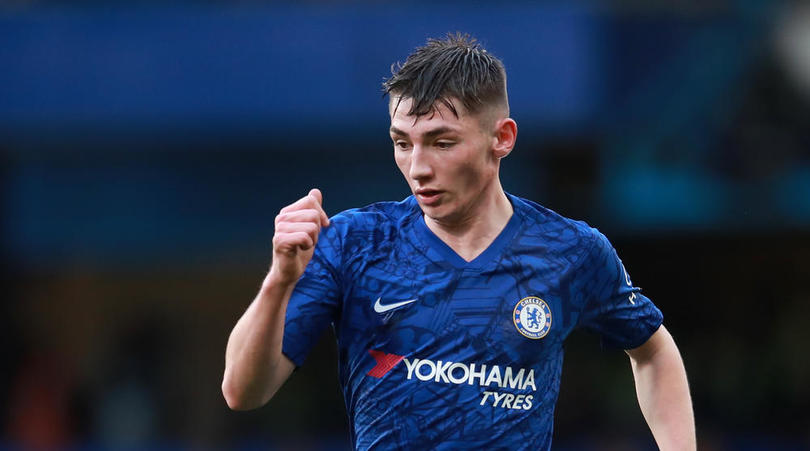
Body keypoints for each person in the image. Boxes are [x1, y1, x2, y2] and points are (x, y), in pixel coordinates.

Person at [222, 33, 695, 450]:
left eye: (442, 142)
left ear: (502, 138)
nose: (418, 167)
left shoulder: (571, 251)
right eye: (403, 143)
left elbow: (652, 350)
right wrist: (280, 281)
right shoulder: (354, 242)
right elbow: (243, 392)